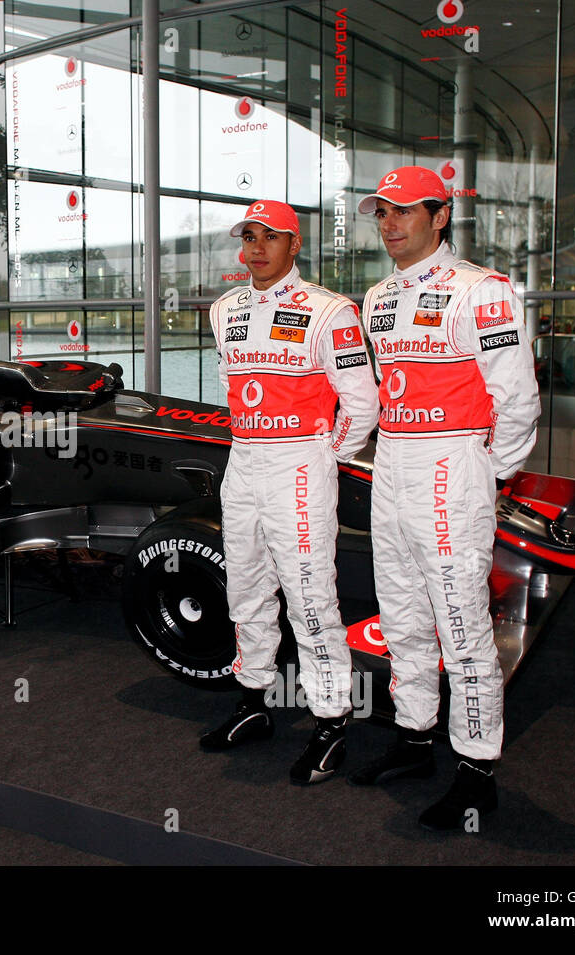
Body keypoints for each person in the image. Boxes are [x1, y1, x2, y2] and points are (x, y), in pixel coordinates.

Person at [352, 166, 541, 830]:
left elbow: (518, 399)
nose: (390, 223)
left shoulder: (483, 292)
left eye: (404, 211)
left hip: (454, 464)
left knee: (461, 626)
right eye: (382, 212)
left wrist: (489, 473)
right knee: (400, 613)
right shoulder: (377, 297)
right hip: (394, 460)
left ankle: (475, 769)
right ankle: (412, 738)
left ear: (440, 215)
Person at [200, 200, 379, 784]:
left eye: (269, 237)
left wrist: (322, 454)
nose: (255, 248)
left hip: (300, 463)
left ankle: (331, 724)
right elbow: (231, 383)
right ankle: (254, 701)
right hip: (243, 460)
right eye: (248, 237)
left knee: (309, 598)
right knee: (245, 588)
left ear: (294, 245)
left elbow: (361, 402)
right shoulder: (225, 309)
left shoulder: (330, 312)